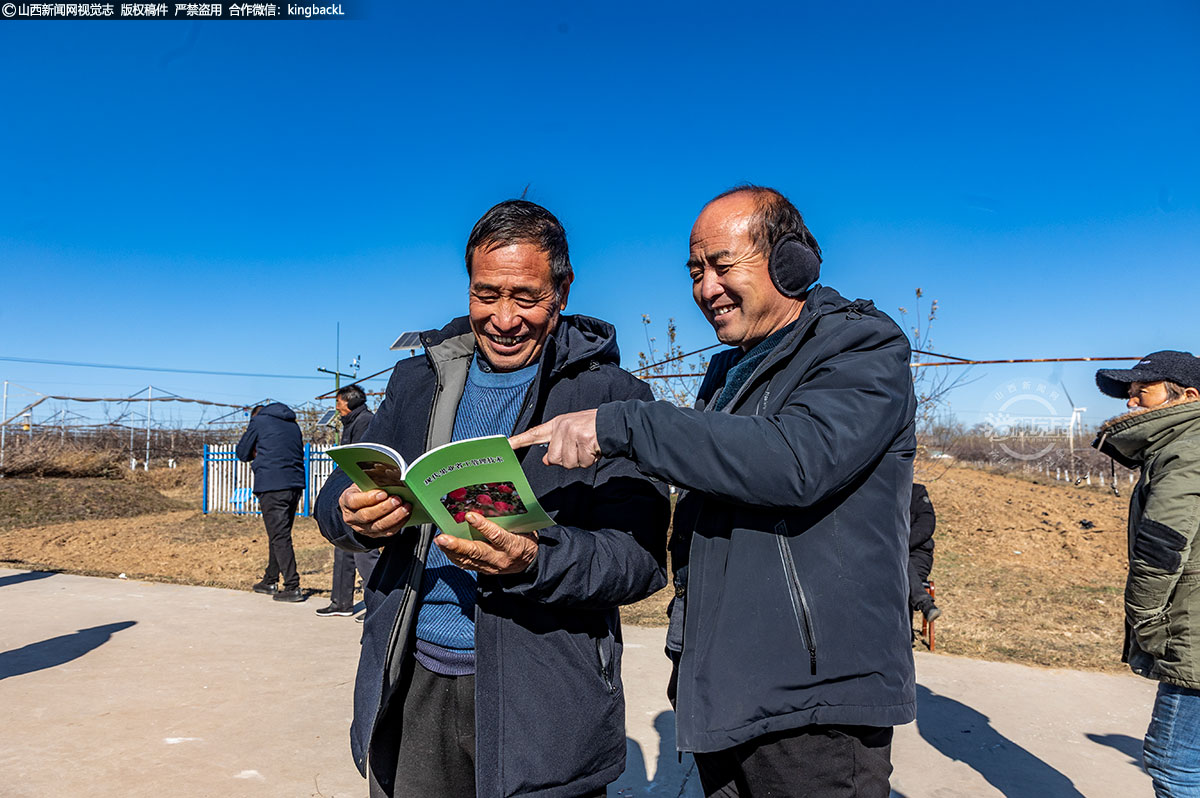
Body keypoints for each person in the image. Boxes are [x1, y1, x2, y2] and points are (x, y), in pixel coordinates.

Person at [512, 185, 918, 797]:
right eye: (696, 271)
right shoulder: (730, 373)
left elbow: (794, 461)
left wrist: (624, 424)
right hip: (728, 699)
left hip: (815, 710)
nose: (706, 289)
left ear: (790, 261)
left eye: (723, 266)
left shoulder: (860, 347)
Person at [314, 199, 669, 798]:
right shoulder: (418, 379)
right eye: (486, 294)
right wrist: (354, 515)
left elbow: (639, 558)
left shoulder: (612, 397)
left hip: (544, 704)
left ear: (562, 289)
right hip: (413, 682)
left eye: (526, 297)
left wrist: (538, 560)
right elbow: (332, 502)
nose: (504, 319)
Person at [1093, 350, 1200, 797]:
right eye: (1130, 393)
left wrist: (1146, 620)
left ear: (1188, 396)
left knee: (1174, 763)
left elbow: (1162, 547)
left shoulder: (1187, 450)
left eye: (1143, 392)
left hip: (1192, 634)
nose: (1132, 403)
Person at [316, 384, 379, 618]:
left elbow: (363, 458)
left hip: (360, 490)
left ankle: (375, 604)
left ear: (350, 402)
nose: (336, 406)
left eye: (338, 401)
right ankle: (340, 602)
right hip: (344, 489)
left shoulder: (366, 421)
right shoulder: (350, 421)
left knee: (365, 553)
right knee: (342, 546)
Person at [236, 401, 306, 603]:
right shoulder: (293, 424)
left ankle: (292, 586)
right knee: (278, 535)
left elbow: (242, 452)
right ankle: (270, 580)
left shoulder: (259, 421)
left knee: (280, 536)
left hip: (272, 485)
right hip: (294, 484)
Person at [909, 483, 941, 623]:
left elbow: (926, 524)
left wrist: (901, 544)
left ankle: (904, 634)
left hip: (917, 553)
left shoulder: (917, 491)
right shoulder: (880, 494)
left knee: (898, 572)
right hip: (887, 556)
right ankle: (925, 604)